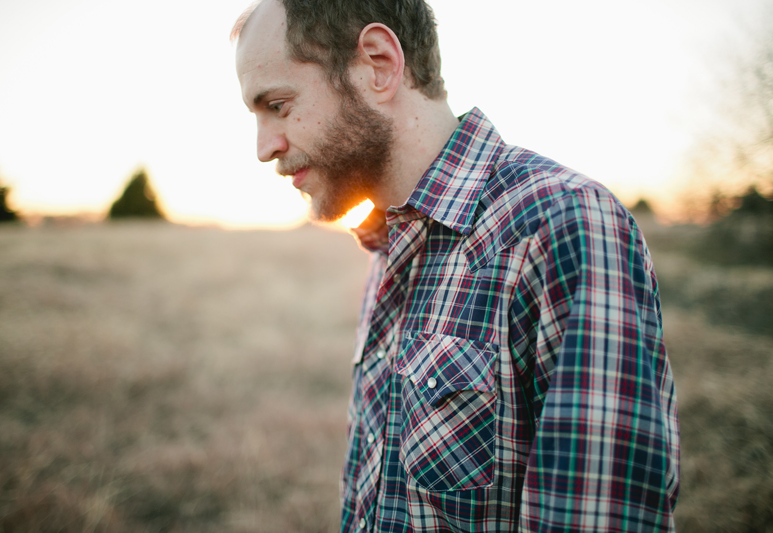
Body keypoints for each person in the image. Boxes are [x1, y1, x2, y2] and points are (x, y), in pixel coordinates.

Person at [231, 1, 680, 531]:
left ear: (378, 64)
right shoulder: (391, 245)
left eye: (278, 105)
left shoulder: (561, 223)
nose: (264, 148)